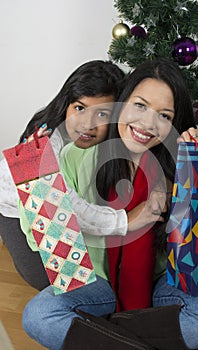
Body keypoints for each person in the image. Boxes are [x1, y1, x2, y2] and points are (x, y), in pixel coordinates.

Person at [21, 57, 198, 350]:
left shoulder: (179, 164)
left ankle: (102, 335)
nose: (147, 123)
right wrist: (38, 176)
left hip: (162, 283)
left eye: (164, 116)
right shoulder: (76, 157)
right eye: (140, 105)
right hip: (94, 282)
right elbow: (39, 235)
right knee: (38, 316)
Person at [0, 59, 127, 290]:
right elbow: (68, 209)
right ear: (66, 104)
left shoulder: (111, 143)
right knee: (49, 280)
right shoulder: (49, 138)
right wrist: (124, 221)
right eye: (80, 108)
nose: (87, 124)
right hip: (14, 208)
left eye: (102, 115)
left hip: (61, 205)